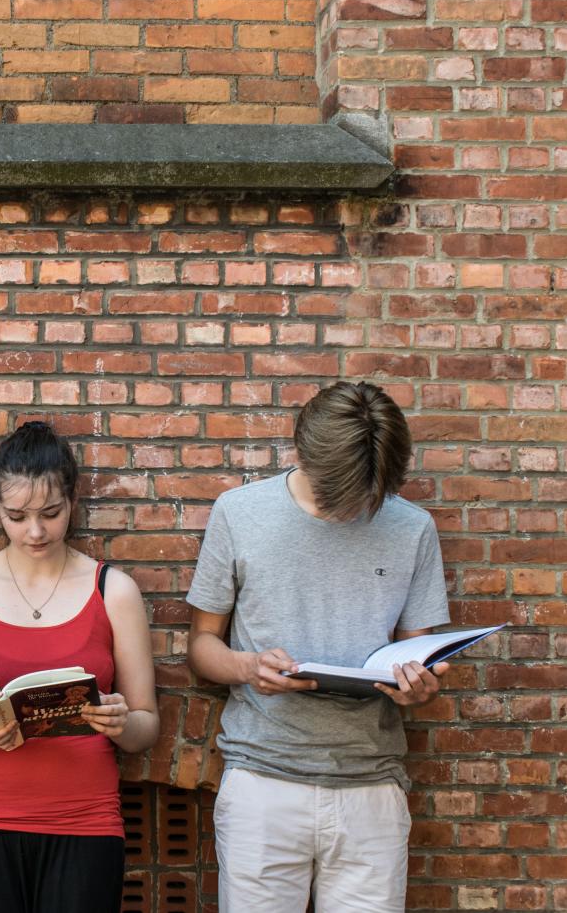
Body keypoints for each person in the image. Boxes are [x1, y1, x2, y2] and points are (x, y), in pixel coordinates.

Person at [186, 380, 452, 913]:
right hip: (263, 781)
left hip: (371, 786)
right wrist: (248, 666)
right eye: (344, 495)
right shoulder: (240, 513)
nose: (356, 510)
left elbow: (417, 659)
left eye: (369, 499)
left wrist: (417, 688)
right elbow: (200, 646)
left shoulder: (412, 527)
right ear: (304, 455)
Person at [0, 420, 159, 913]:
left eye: (51, 513)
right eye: (16, 516)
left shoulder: (113, 590)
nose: (35, 531)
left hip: (85, 817)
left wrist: (120, 722)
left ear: (72, 501)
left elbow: (146, 727)